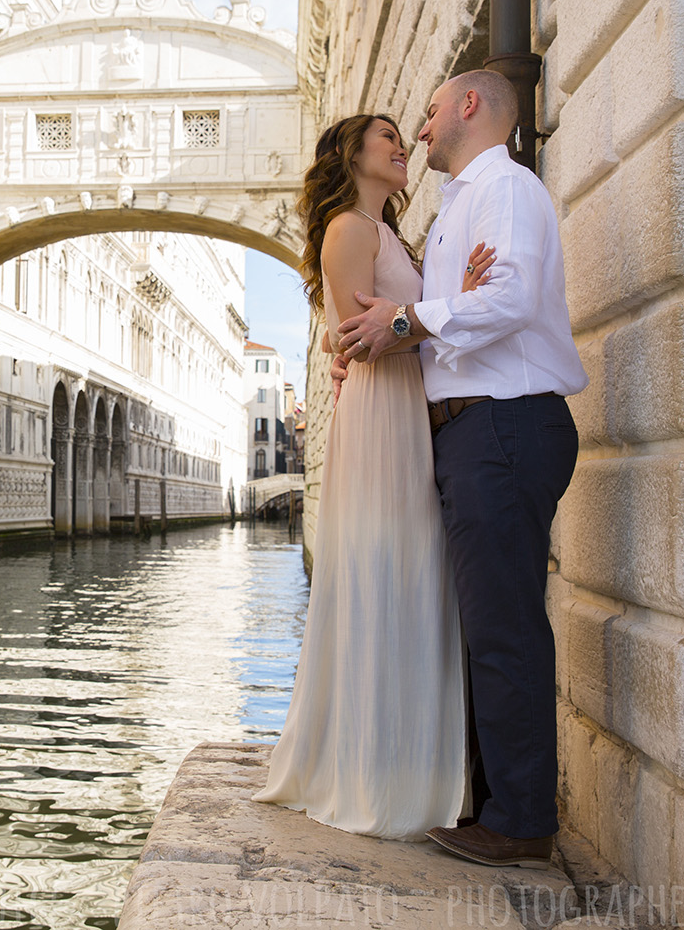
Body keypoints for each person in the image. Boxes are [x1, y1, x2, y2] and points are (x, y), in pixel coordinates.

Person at [334, 69, 587, 868]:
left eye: (432, 108)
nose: (420, 126)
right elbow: (462, 316)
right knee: (485, 624)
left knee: (502, 626)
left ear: (469, 106)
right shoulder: (458, 209)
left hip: (502, 424)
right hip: (474, 429)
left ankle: (517, 819)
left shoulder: (502, 189)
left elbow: (503, 302)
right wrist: (440, 310)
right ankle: (491, 798)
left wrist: (416, 315)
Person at [251, 113, 495, 841]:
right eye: (387, 135)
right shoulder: (350, 228)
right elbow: (362, 337)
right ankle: (376, 771)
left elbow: (373, 329)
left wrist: (449, 300)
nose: (403, 146)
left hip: (400, 412)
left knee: (411, 577)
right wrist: (445, 311)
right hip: (382, 416)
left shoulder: (385, 233)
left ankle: (404, 764)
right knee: (391, 576)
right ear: (352, 155)